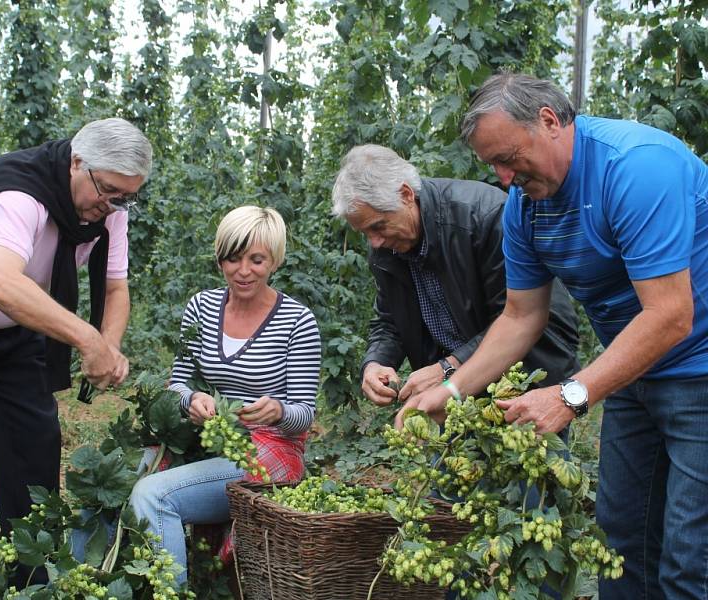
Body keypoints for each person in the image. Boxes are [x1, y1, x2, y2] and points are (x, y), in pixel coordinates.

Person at [404, 72, 708, 599]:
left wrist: (572, 394)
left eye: (509, 156)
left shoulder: (634, 168)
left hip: (700, 371)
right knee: (623, 541)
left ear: (549, 121)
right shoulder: (527, 208)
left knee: (688, 558)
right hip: (634, 372)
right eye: (492, 165)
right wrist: (450, 393)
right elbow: (521, 317)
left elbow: (671, 316)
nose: (502, 177)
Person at [0, 117, 152, 587]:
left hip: (14, 326)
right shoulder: (20, 192)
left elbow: (115, 286)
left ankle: (33, 579)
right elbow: (0, 283)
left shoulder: (108, 212)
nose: (114, 204)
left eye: (126, 196)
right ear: (77, 163)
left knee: (33, 446)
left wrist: (110, 345)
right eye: (108, 191)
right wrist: (86, 339)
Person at [129, 205, 321, 584]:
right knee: (123, 476)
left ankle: (174, 592)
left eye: (256, 259)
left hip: (268, 454)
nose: (243, 271)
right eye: (232, 258)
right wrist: (190, 401)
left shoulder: (297, 321)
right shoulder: (201, 307)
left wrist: (278, 410)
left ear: (275, 260)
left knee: (154, 495)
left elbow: (304, 412)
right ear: (220, 258)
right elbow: (179, 383)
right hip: (208, 440)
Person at [331, 144, 579, 408]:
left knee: (527, 448)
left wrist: (447, 369)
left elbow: (516, 320)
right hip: (456, 389)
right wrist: (376, 363)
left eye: (378, 226)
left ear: (405, 194)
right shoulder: (387, 249)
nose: (375, 241)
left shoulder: (483, 218)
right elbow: (390, 320)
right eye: (365, 233)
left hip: (528, 375)